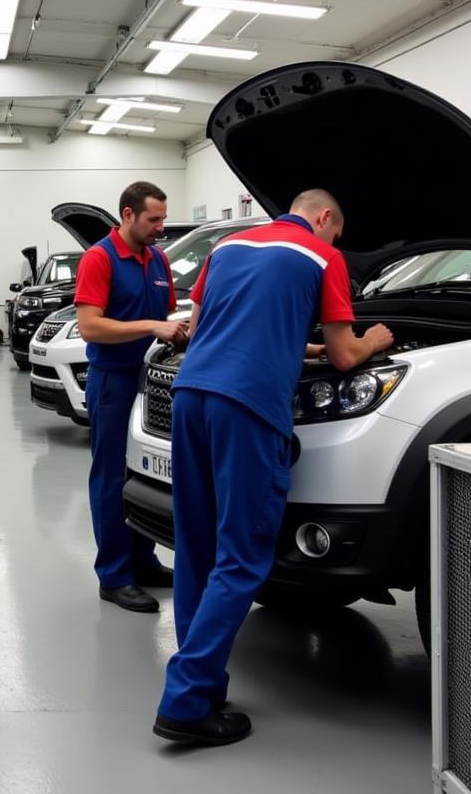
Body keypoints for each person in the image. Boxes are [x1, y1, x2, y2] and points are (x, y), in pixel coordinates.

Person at [153, 189, 394, 746]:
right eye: (337, 233)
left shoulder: (229, 248)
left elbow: (215, 322)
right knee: (242, 555)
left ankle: (205, 684)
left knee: (199, 548)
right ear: (325, 217)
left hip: (192, 395)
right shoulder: (321, 255)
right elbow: (343, 356)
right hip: (249, 404)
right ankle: (186, 701)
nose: (337, 244)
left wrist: (296, 347)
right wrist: (372, 339)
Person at [74, 181, 187, 614]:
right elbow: (91, 327)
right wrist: (150, 327)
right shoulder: (99, 259)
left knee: (145, 473)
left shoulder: (156, 258)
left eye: (162, 218)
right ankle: (115, 575)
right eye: (153, 219)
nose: (160, 227)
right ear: (127, 215)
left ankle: (144, 560)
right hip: (113, 380)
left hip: (151, 381)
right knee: (110, 477)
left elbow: (166, 314)